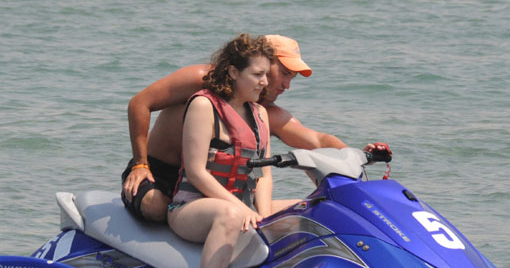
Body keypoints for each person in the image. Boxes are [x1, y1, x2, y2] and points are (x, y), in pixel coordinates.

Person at [121, 34, 385, 221]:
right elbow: (139, 103)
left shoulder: (264, 112)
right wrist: (140, 164)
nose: (286, 85)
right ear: (262, 61)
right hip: (157, 173)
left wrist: (356, 154)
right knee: (157, 209)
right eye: (283, 73)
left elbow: (316, 140)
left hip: (209, 188)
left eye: (291, 78)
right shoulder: (202, 82)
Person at [166, 34, 282, 268]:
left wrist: (264, 217)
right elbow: (197, 173)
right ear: (232, 72)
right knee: (230, 215)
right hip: (191, 207)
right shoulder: (203, 106)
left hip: (243, 204)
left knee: (311, 210)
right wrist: (241, 209)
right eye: (257, 75)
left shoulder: (260, 113)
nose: (264, 82)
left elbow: (264, 176)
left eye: (267, 76)